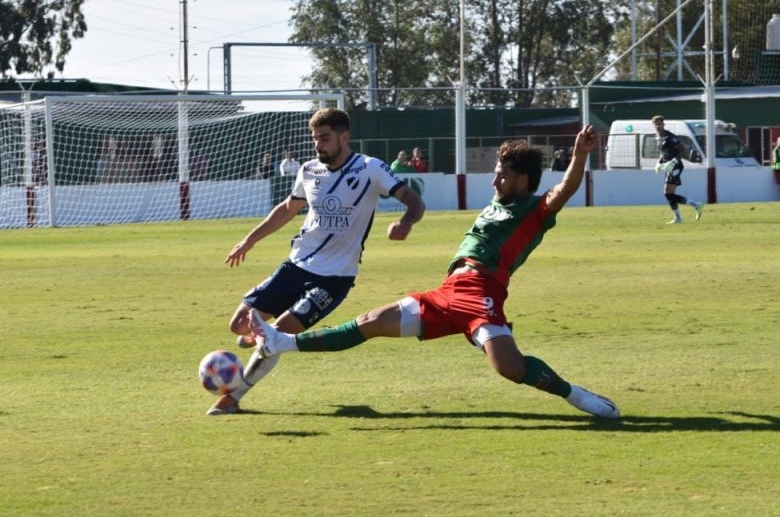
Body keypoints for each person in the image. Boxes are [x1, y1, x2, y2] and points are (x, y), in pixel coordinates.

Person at [247, 125, 620, 420]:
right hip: (448, 290)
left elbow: (565, 188)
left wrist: (579, 155)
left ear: (524, 180)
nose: (495, 182)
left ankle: (577, 396)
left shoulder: (535, 210)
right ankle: (281, 342)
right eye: (495, 174)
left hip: (481, 293)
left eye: (502, 175)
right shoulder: (499, 199)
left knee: (509, 367)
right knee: (371, 321)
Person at [208, 107, 426, 415]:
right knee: (238, 324)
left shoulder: (370, 169)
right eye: (314, 138)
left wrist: (405, 223)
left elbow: (415, 201)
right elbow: (288, 208)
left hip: (334, 278)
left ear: (344, 137)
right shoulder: (309, 170)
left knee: (280, 331)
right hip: (296, 265)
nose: (317, 145)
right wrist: (250, 239)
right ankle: (256, 335)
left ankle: (233, 397)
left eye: (324, 138)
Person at [651, 115, 703, 224]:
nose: (658, 126)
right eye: (656, 124)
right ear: (653, 125)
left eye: (660, 124)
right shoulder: (657, 137)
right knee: (670, 194)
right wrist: (658, 163)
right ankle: (680, 217)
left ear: (663, 124)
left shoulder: (670, 137)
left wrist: (673, 162)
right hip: (668, 166)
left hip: (675, 166)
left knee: (667, 193)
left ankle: (694, 206)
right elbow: (663, 153)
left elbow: (682, 151)